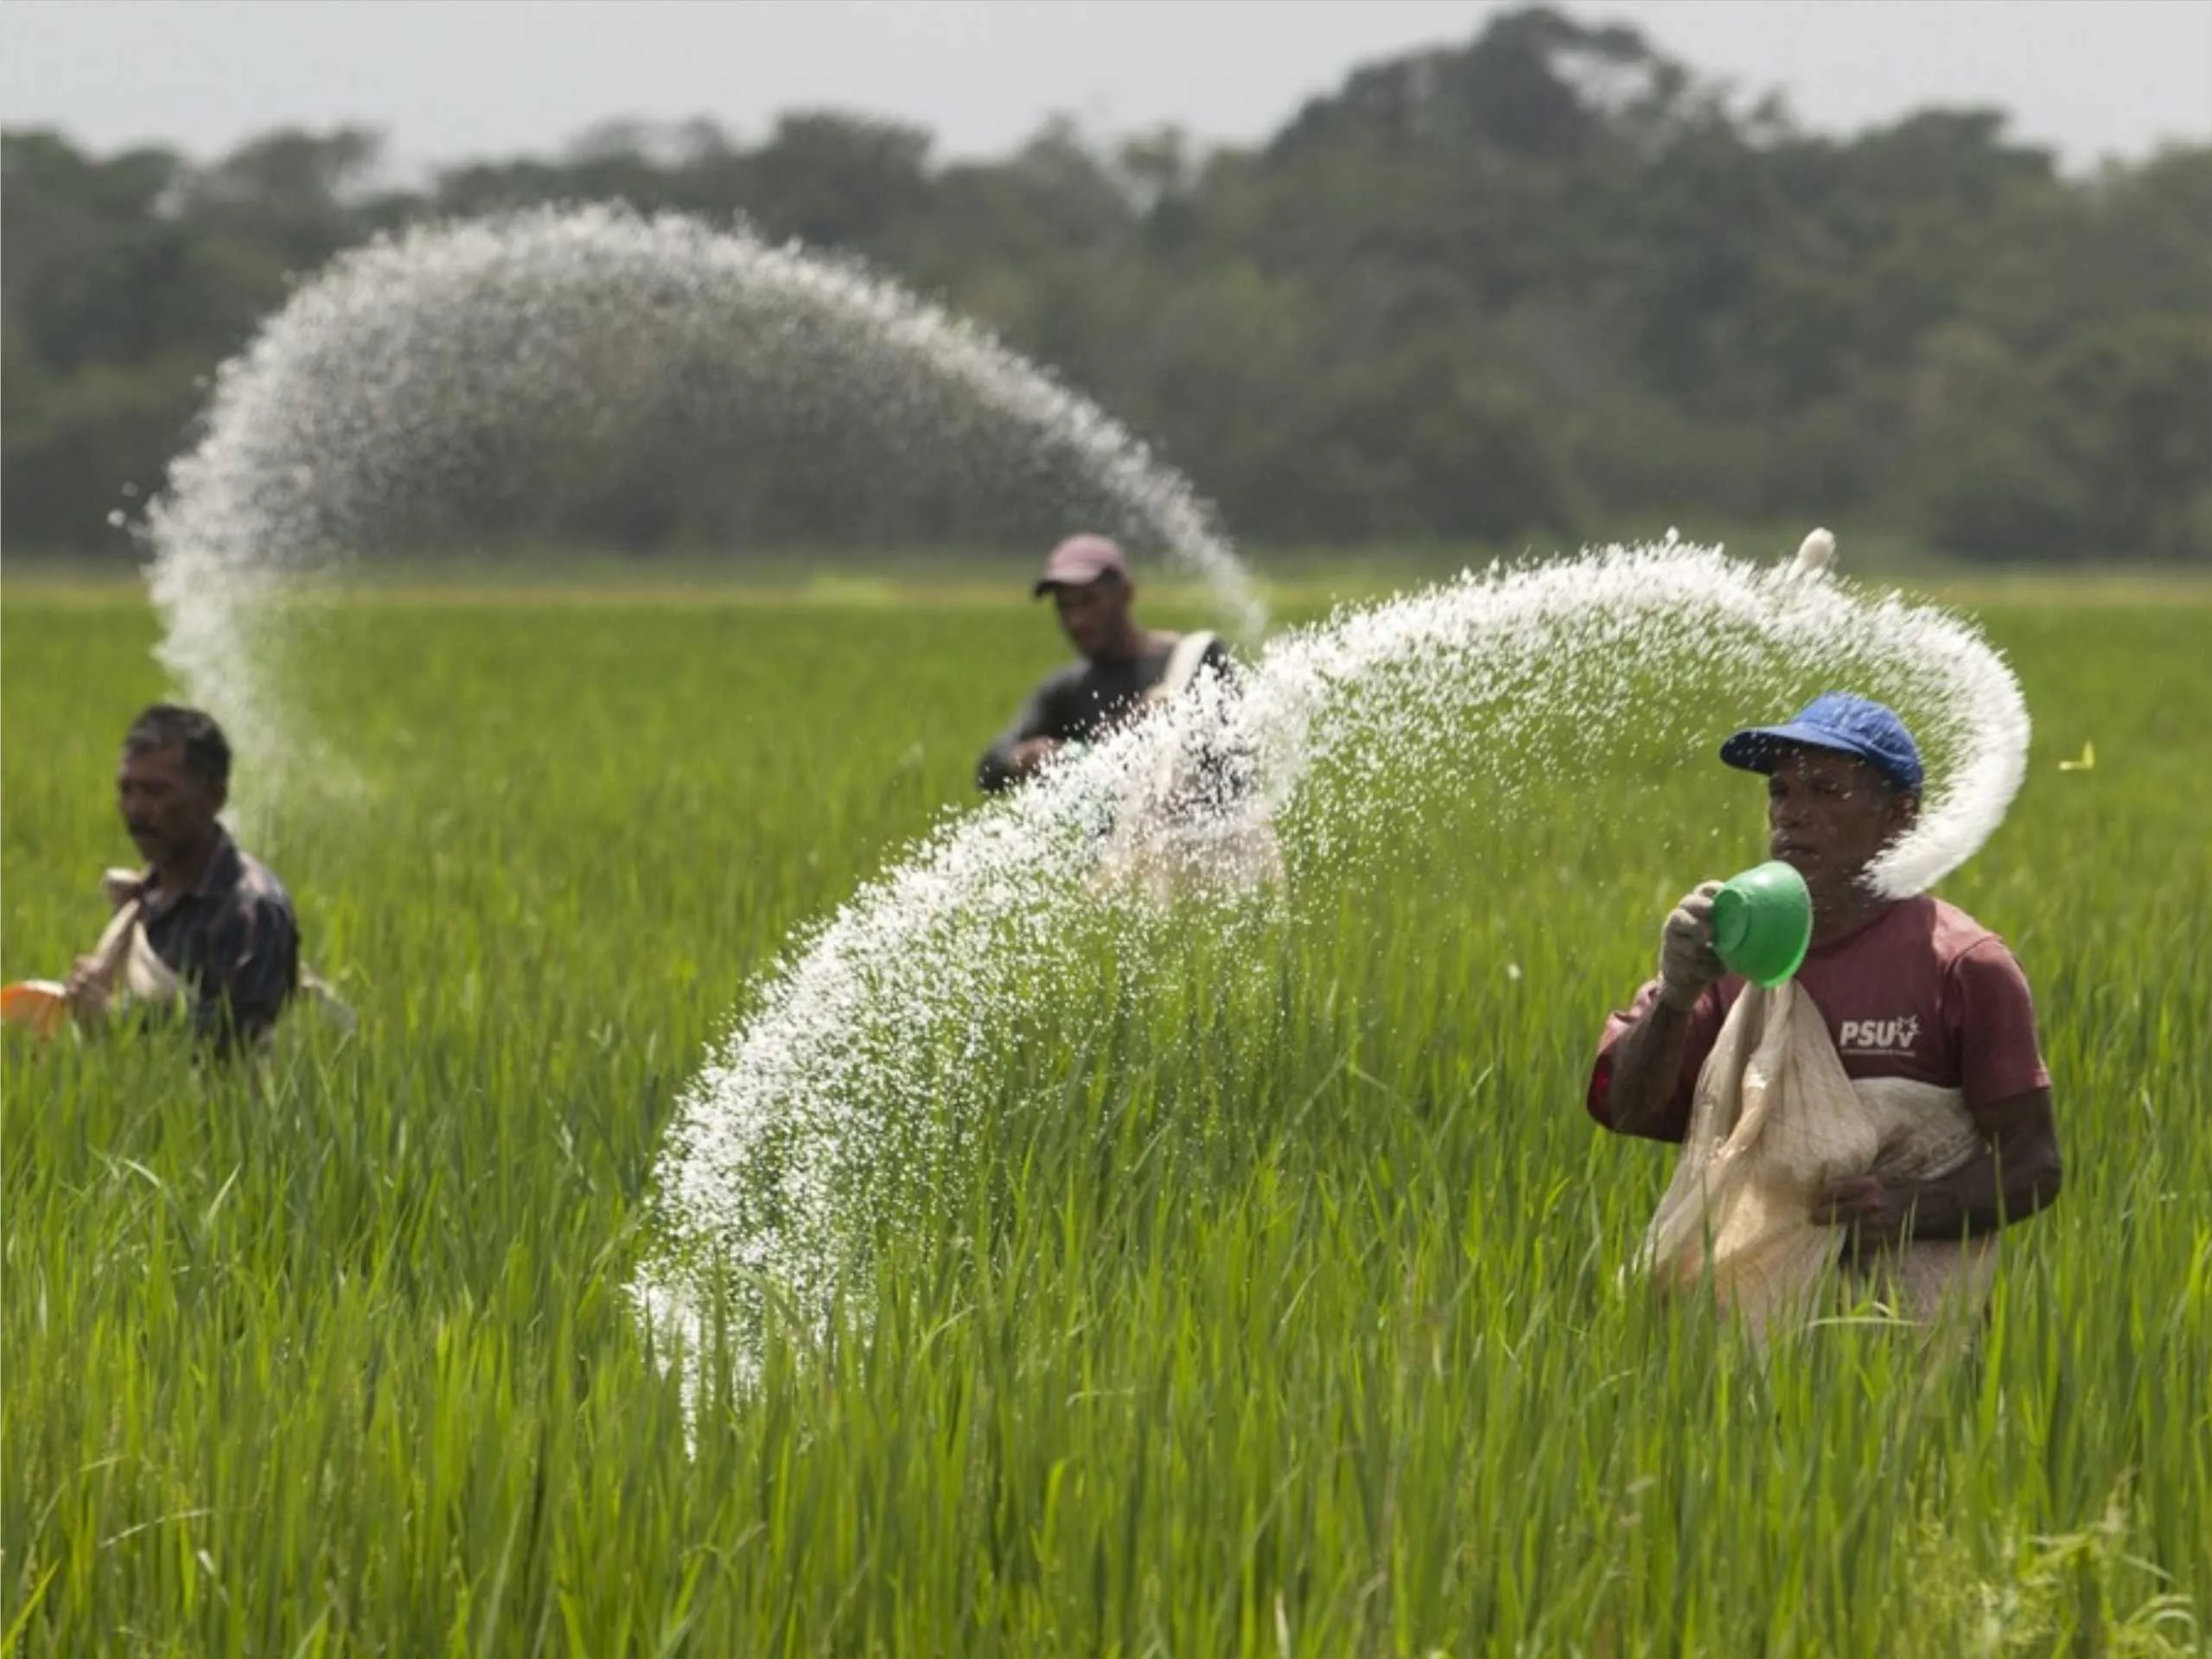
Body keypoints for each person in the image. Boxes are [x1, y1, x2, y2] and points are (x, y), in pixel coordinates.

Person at [1589, 692, 2062, 1273]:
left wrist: (1907, 1206)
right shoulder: (1730, 951)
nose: (1791, 812)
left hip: (1912, 1334)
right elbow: (1629, 1109)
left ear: (1897, 816)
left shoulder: (1963, 965)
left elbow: (2032, 1164)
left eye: (1826, 790)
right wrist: (1675, 997)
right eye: (1780, 790)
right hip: (1740, 1326)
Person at [63, 704, 301, 1053]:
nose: (135, 810)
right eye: (127, 790)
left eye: (156, 792)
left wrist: (118, 1018)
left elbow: (241, 1038)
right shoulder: (144, 896)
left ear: (214, 798)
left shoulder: (251, 909)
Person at [976, 533, 1235, 794]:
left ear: (1125, 594)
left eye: (1089, 601)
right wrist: (1025, 758)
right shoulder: (1068, 691)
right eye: (1064, 606)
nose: (1077, 620)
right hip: (1123, 834)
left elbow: (1235, 767)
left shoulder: (1194, 661)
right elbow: (988, 769)